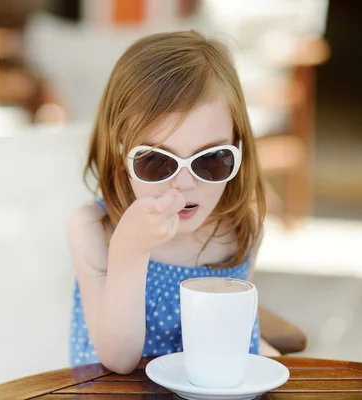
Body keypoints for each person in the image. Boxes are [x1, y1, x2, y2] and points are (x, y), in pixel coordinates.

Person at [66, 30, 278, 374]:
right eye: (155, 160)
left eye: (211, 159)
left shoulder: (242, 229)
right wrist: (130, 251)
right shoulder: (92, 231)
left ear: (239, 148)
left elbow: (237, 337)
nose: (184, 183)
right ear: (121, 156)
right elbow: (119, 359)